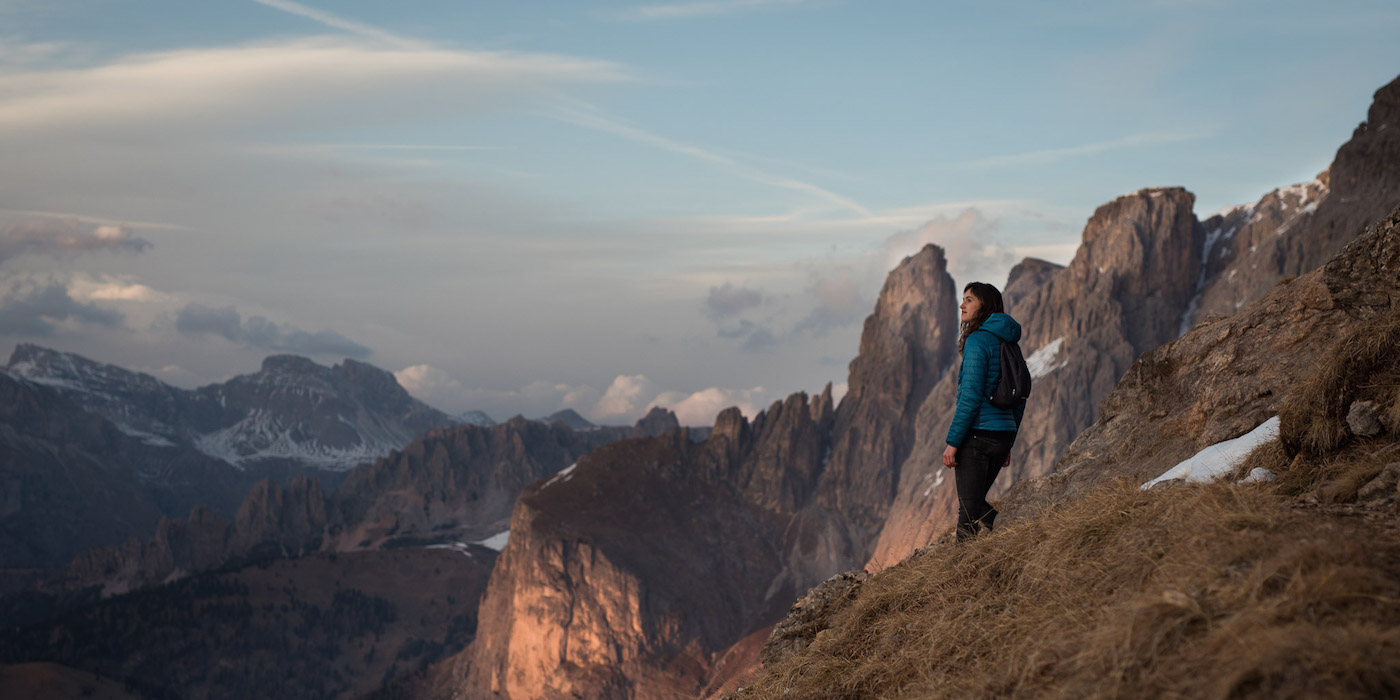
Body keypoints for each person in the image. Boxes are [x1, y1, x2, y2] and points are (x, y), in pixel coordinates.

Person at [941, 282, 1025, 541]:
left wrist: (953, 443)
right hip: (1001, 437)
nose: (962, 305)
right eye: (963, 299)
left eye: (969, 300)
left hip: (977, 438)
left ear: (984, 306)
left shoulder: (977, 341)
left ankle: (959, 570)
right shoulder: (1009, 343)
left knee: (968, 512)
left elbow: (970, 397)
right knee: (974, 504)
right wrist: (1008, 442)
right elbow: (1019, 397)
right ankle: (1017, 535)